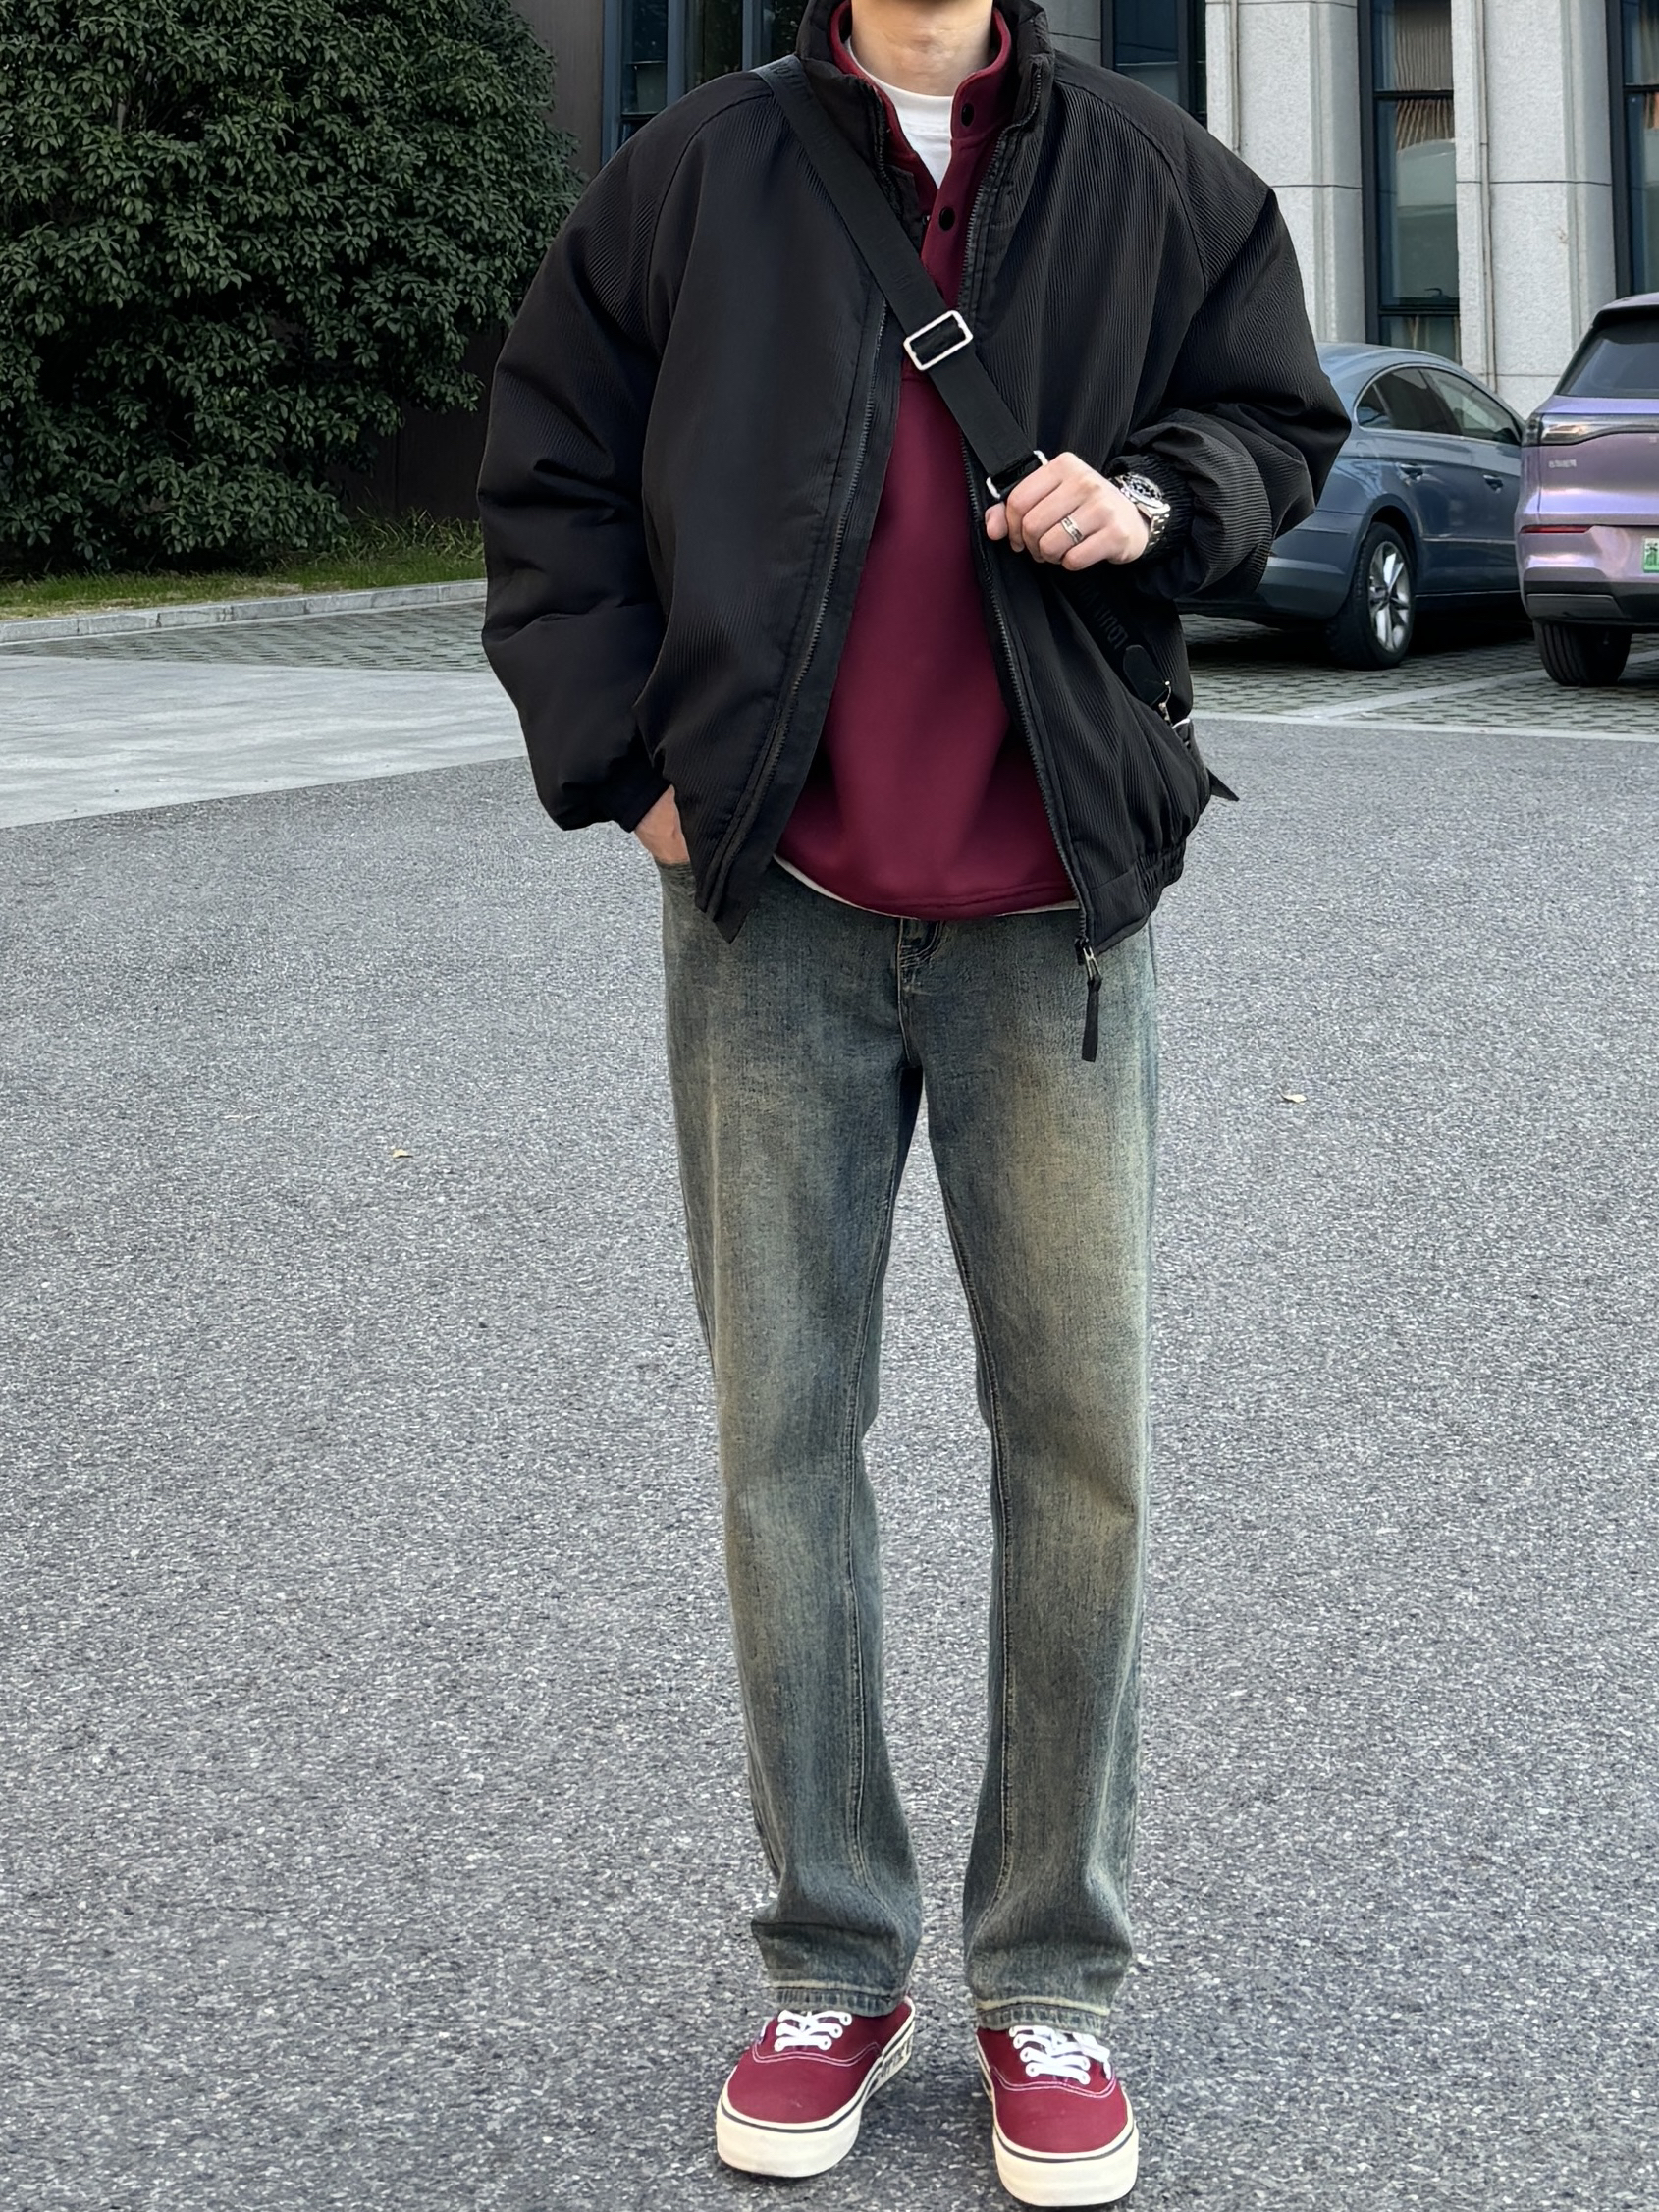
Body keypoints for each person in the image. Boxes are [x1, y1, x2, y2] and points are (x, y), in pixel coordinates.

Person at [478, 0, 1346, 2193]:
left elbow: (1274, 421)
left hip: (1052, 913)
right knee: (783, 1448)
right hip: (769, 906)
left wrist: (1153, 495)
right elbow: (548, 468)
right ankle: (832, 1952)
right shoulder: (693, 172)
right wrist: (628, 773)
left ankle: (1047, 1976)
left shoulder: (1157, 173)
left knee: (1081, 1453)